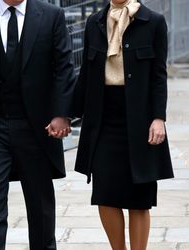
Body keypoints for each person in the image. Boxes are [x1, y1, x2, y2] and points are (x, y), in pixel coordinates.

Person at [0, 0, 75, 249]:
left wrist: (61, 114)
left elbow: (64, 67)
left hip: (37, 127)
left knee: (40, 204)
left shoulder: (52, 16)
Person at [74, 0, 174, 249]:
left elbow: (159, 75)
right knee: (105, 194)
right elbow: (85, 73)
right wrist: (66, 115)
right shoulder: (94, 23)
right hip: (103, 119)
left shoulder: (153, 22)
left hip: (140, 119)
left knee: (140, 196)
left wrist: (158, 118)